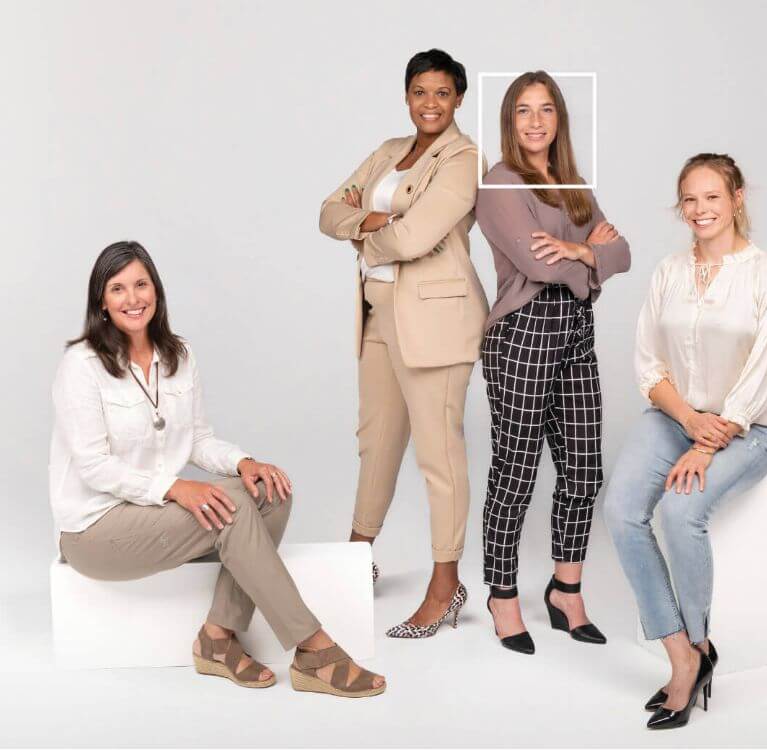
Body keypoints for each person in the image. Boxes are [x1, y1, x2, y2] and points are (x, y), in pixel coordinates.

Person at [52, 241, 384, 697]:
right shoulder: (82, 365)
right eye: (118, 288)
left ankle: (217, 638)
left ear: (156, 290)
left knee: (269, 493)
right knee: (233, 511)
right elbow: (93, 466)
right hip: (94, 530)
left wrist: (245, 462)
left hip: (154, 513)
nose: (133, 298)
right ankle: (313, 648)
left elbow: (199, 440)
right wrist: (174, 488)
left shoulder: (178, 355)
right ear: (101, 302)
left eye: (141, 284)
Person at [603, 154, 767, 729]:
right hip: (675, 416)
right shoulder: (668, 272)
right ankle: (681, 651)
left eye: (713, 196)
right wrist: (687, 420)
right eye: (690, 199)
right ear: (680, 207)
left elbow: (763, 370)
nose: (701, 209)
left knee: (682, 510)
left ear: (736, 198)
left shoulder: (765, 274)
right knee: (621, 510)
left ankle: (698, 649)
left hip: (749, 428)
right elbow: (647, 363)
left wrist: (709, 442)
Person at [318, 49, 488, 638]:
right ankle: (355, 560)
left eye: (442, 92)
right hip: (377, 316)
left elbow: (415, 237)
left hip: (437, 322)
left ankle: (446, 585)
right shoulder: (389, 152)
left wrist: (364, 226)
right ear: (407, 96)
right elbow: (326, 211)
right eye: (420, 91)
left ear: (459, 98)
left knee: (438, 457)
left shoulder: (463, 159)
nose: (431, 103)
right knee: (377, 443)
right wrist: (369, 221)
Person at [474, 71, 630, 655]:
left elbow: (625, 251)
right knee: (515, 471)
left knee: (584, 469)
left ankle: (566, 591)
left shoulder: (571, 183)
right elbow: (539, 268)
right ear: (509, 120)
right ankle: (503, 594)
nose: (535, 121)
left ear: (559, 118)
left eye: (545, 109)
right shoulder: (499, 183)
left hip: (574, 335)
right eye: (522, 110)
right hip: (522, 333)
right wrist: (591, 258)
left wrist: (582, 250)